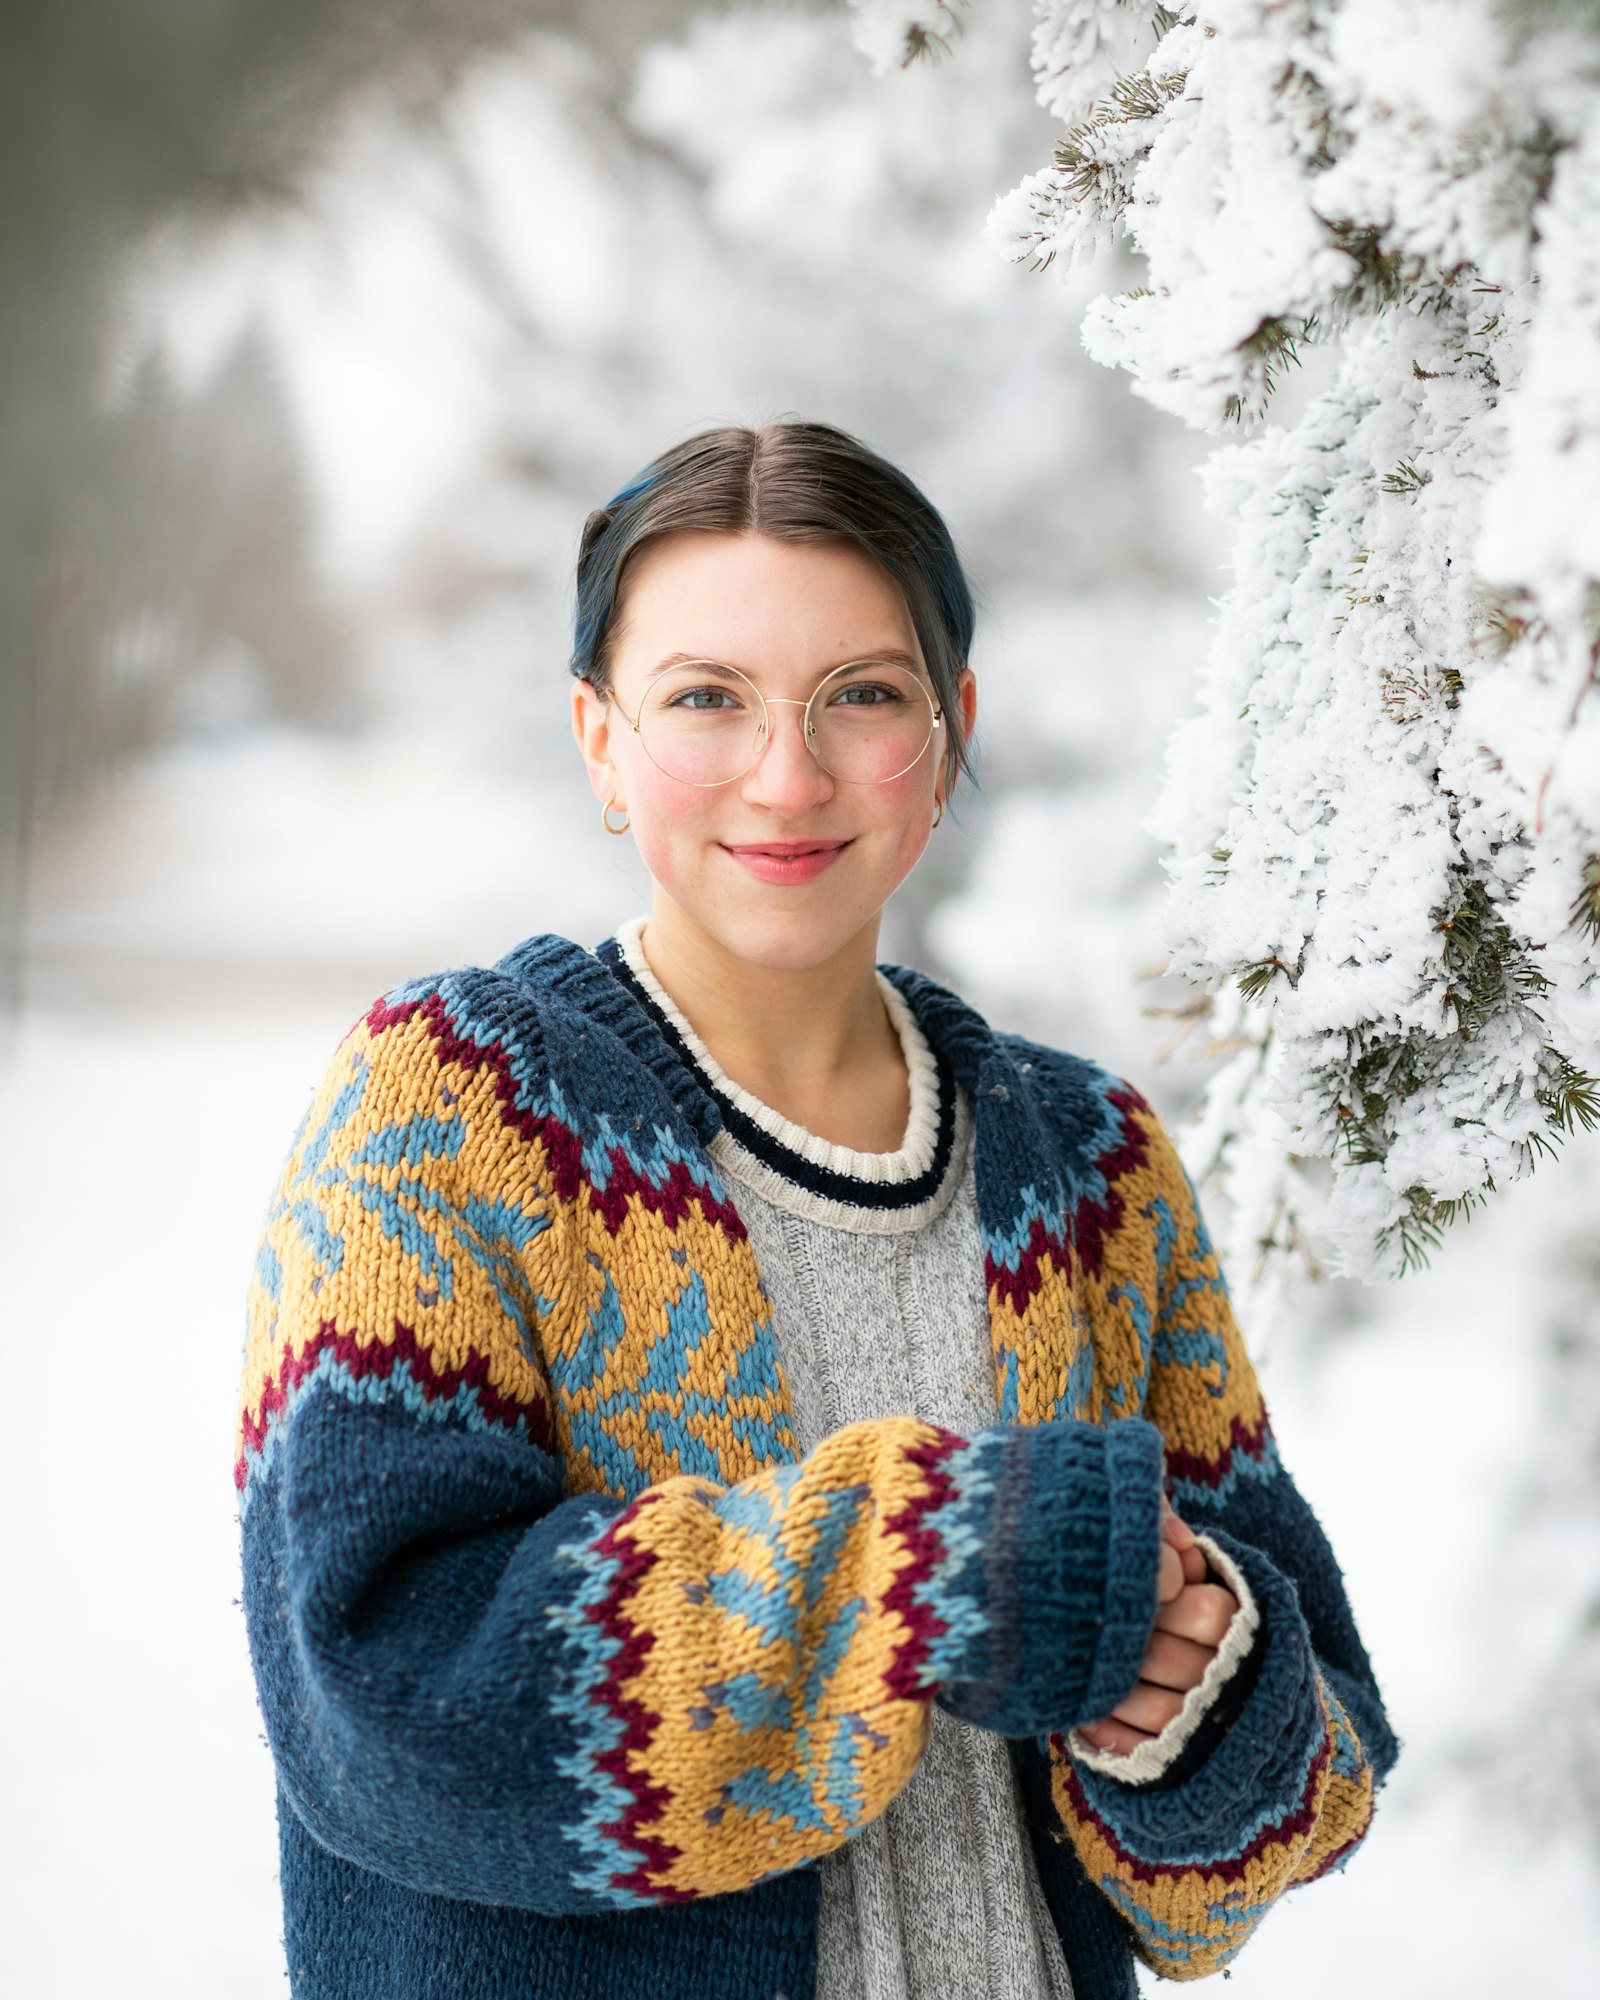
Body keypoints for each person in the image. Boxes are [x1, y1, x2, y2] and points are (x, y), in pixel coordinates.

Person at [236, 420, 1397, 2000]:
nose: (788, 776)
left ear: (951, 727)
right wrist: (924, 1566)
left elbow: (1314, 1771)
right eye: (705, 699)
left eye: (863, 694)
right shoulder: (447, 1111)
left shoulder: (1093, 1165)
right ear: (598, 739)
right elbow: (376, 1700)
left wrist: (1192, 1697)